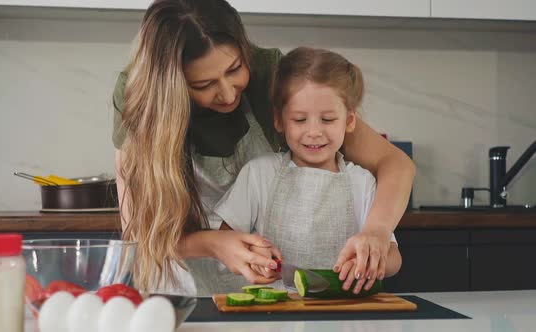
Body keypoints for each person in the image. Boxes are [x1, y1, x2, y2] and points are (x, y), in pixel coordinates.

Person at [112, 0, 415, 295]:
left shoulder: (274, 75)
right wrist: (214, 243)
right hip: (183, 285)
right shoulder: (139, 97)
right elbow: (139, 232)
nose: (228, 94)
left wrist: (376, 233)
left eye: (235, 69)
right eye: (204, 85)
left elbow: (396, 164)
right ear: (172, 84)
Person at [214, 47, 402, 293]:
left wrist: (371, 262)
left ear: (349, 121)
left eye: (327, 120)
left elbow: (394, 258)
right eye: (300, 120)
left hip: (344, 313)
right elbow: (225, 239)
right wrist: (253, 253)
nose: (314, 132)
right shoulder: (259, 174)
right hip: (274, 313)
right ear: (279, 121)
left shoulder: (362, 181)